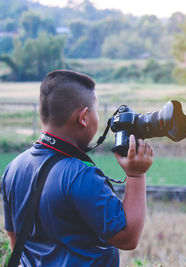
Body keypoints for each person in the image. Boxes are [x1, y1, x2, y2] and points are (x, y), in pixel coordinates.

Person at [2, 70, 154, 266]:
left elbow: (15, 239)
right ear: (83, 117)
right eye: (96, 113)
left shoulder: (13, 167)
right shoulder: (80, 175)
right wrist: (136, 175)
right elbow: (127, 237)